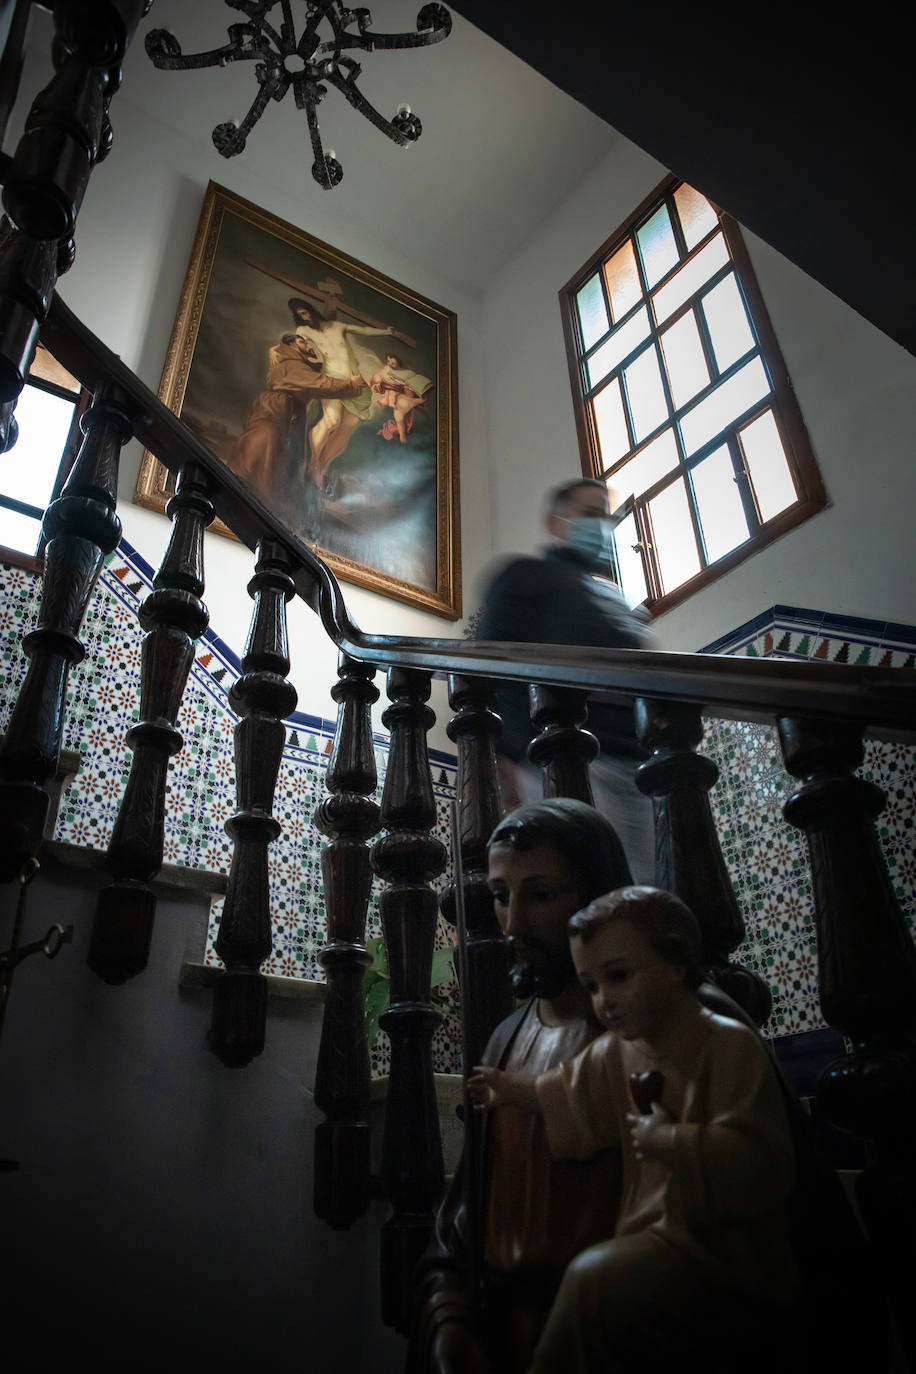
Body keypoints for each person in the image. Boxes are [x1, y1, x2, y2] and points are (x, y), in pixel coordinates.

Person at [408, 798, 756, 1374]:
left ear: (598, 897)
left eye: (541, 895)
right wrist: (449, 1319)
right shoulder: (505, 1041)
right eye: (500, 897)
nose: (513, 924)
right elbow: (464, 1218)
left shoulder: (684, 1023)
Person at [467, 886, 800, 1373]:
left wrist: (671, 1141)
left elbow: (764, 1159)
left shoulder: (728, 1046)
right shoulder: (624, 1049)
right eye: (593, 986)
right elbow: (569, 1090)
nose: (605, 1003)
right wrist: (511, 1091)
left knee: (589, 1279)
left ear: (677, 962)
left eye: (619, 976)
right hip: (657, 1231)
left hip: (726, 1248)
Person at [474, 478, 655, 883]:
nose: (600, 525)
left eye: (604, 516)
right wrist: (508, 759)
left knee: (642, 894)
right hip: (560, 760)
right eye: (589, 514)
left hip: (637, 765)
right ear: (555, 523)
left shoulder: (612, 598)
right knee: (587, 888)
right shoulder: (526, 577)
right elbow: (489, 667)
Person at [225, 336, 363, 497]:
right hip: (276, 407)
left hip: (292, 411)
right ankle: (249, 484)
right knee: (267, 439)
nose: (308, 344)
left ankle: (271, 493)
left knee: (289, 454)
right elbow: (320, 383)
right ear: (291, 344)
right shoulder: (290, 363)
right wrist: (352, 384)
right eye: (302, 341)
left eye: (309, 342)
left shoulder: (298, 361)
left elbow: (317, 378)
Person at [287, 297, 395, 485]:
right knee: (332, 421)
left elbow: (364, 330)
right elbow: (301, 351)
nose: (305, 317)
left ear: (312, 310)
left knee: (347, 427)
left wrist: (386, 331)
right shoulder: (302, 331)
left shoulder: (336, 326)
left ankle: (322, 467)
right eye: (300, 315)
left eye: (305, 312)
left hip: (355, 380)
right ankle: (312, 462)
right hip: (333, 380)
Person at [369, 352, 433, 442]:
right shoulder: (387, 369)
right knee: (398, 407)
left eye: (393, 363)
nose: (389, 364)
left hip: (404, 394)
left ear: (399, 364)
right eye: (388, 361)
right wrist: (379, 382)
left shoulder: (407, 373)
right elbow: (378, 375)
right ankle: (402, 436)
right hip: (394, 394)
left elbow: (409, 388)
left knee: (403, 413)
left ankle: (403, 435)